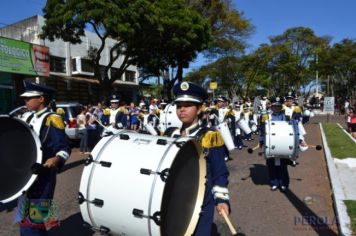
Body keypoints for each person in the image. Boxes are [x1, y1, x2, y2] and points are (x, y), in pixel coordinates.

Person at [169, 82, 230, 235]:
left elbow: (219, 171)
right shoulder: (170, 133)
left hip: (201, 200)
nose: (181, 109)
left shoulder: (210, 135)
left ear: (199, 109)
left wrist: (222, 200)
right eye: (179, 105)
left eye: (188, 105)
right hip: (175, 198)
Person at [17, 81, 71, 235]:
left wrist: (56, 159)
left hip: (43, 175)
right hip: (26, 175)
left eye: (29, 98)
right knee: (26, 217)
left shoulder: (53, 118)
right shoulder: (27, 117)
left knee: (34, 221)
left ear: (41, 99)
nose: (25, 101)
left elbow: (64, 148)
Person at [260, 96, 307, 192]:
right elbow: (262, 130)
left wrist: (301, 139)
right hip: (270, 143)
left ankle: (284, 183)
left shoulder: (287, 116)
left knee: (282, 166)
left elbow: (295, 128)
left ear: (281, 106)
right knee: (271, 164)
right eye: (274, 106)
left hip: (283, 144)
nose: (276, 108)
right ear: (271, 106)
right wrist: (261, 141)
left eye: (278, 106)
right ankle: (274, 183)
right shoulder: (266, 116)